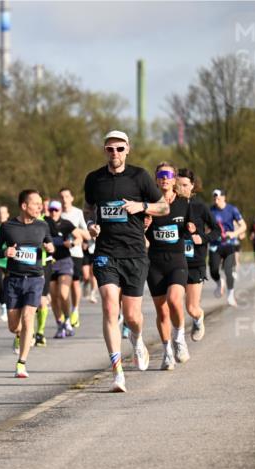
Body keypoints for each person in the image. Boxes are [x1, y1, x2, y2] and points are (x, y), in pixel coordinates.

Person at [83, 131, 167, 393]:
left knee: (132, 316)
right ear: (105, 150)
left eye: (120, 148)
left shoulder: (139, 176)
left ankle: (137, 338)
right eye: (110, 149)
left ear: (128, 149)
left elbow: (163, 207)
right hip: (106, 252)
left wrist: (142, 206)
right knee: (110, 308)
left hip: (134, 253)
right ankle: (117, 372)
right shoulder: (94, 179)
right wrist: (91, 224)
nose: (115, 153)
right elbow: (88, 208)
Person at [0, 190, 54, 378]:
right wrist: (5, 253)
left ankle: (21, 363)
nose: (39, 207)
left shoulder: (43, 225)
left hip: (35, 278)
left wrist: (50, 247)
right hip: (13, 279)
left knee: (28, 317)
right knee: (14, 326)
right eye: (36, 204)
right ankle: (20, 335)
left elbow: (50, 243)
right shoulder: (7, 226)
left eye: (40, 204)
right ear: (24, 206)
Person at [144, 163, 190, 370]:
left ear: (174, 179)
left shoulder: (183, 203)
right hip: (155, 263)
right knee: (162, 311)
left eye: (168, 175)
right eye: (161, 175)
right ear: (156, 180)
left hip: (177, 261)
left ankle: (179, 337)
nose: (164, 178)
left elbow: (194, 226)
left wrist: (193, 229)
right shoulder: (149, 205)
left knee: (174, 300)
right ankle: (167, 353)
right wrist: (143, 226)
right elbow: (139, 233)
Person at [175, 168, 218, 342]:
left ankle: (198, 319)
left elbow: (217, 230)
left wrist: (202, 238)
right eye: (178, 185)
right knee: (173, 303)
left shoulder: (200, 207)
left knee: (192, 308)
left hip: (195, 261)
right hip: (175, 261)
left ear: (192, 186)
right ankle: (178, 339)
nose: (181, 189)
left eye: (185, 185)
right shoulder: (171, 205)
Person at [45, 199, 84, 339]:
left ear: (60, 210)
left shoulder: (66, 223)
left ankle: (67, 320)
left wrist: (72, 243)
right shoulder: (44, 223)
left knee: (63, 293)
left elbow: (79, 237)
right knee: (54, 296)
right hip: (49, 262)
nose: (53, 212)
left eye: (56, 210)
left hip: (64, 261)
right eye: (51, 210)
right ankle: (59, 324)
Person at [208, 188, 245, 306]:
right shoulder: (210, 210)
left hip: (229, 245)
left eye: (218, 198)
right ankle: (219, 282)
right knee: (213, 270)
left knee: (228, 270)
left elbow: (243, 226)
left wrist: (233, 234)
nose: (216, 200)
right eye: (214, 198)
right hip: (215, 245)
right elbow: (205, 227)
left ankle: (230, 295)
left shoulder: (232, 209)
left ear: (224, 198)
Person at [59, 187, 89, 326]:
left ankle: (75, 309)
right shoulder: (57, 213)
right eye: (61, 197)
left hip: (75, 253)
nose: (64, 199)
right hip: (60, 254)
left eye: (66, 196)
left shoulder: (77, 213)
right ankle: (64, 312)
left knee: (75, 283)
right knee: (62, 285)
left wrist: (75, 232)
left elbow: (87, 233)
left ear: (71, 198)